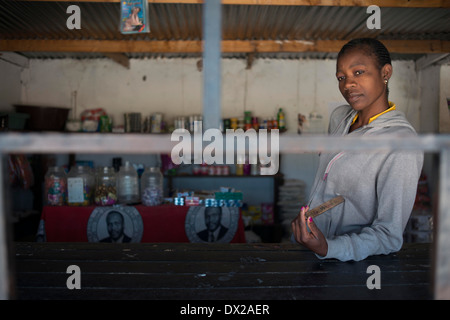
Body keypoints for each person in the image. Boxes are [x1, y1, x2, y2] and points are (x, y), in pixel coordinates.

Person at [291, 38, 424, 262]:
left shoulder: (402, 144)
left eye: (359, 72)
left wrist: (329, 248)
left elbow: (388, 236)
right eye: (341, 77)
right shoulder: (340, 117)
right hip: (314, 249)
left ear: (386, 72)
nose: (347, 85)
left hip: (359, 265)